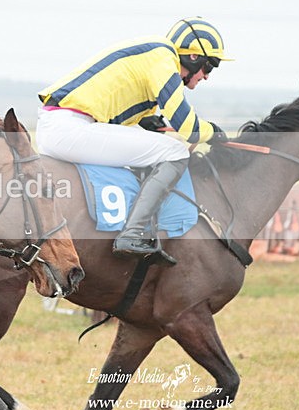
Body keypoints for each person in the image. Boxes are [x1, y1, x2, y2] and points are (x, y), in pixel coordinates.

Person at [35, 18, 232, 256]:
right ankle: (133, 232)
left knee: (162, 146)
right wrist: (213, 132)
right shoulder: (164, 58)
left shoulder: (154, 55)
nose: (207, 76)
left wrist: (145, 120)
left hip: (61, 125)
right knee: (175, 151)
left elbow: (122, 99)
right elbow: (187, 126)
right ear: (193, 57)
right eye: (209, 67)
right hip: (69, 128)